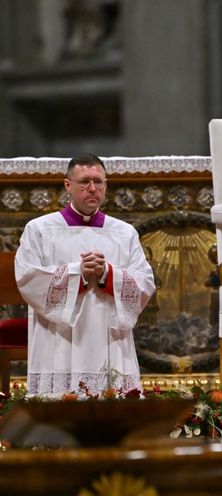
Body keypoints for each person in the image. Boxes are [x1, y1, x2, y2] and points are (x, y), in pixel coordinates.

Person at [14, 154, 155, 397]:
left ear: (106, 185)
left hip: (108, 336)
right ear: (67, 185)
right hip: (58, 339)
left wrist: (108, 274)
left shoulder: (124, 233)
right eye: (84, 182)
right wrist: (76, 273)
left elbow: (145, 283)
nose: (93, 189)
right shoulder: (40, 230)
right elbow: (27, 278)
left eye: (98, 182)